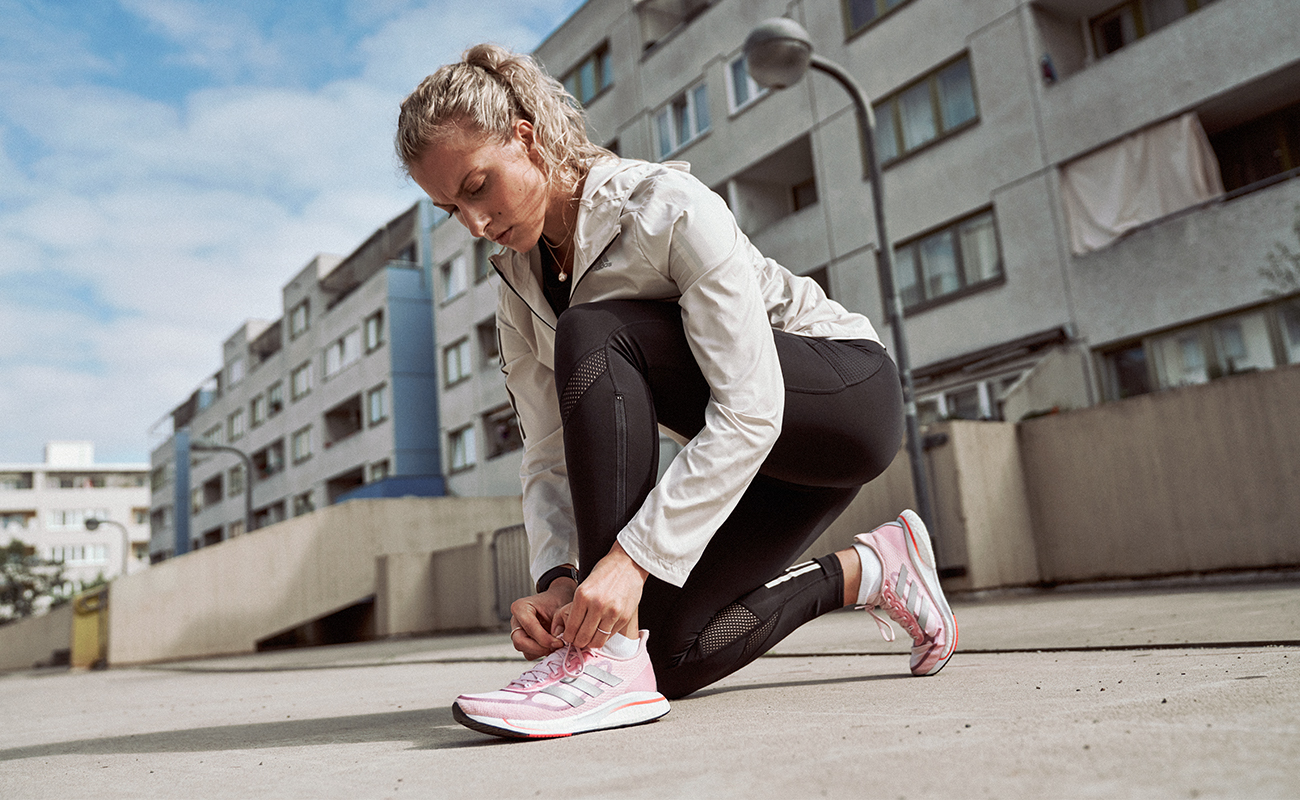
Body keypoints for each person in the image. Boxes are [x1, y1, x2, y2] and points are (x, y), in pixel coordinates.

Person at [395, 44, 956, 740]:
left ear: (526, 137)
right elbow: (546, 451)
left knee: (593, 329)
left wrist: (628, 564)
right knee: (670, 656)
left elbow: (751, 408)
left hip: (839, 399)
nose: (474, 224)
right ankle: (874, 568)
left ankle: (603, 658)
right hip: (757, 458)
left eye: (477, 186)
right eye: (451, 208)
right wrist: (561, 580)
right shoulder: (515, 279)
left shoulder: (666, 207)